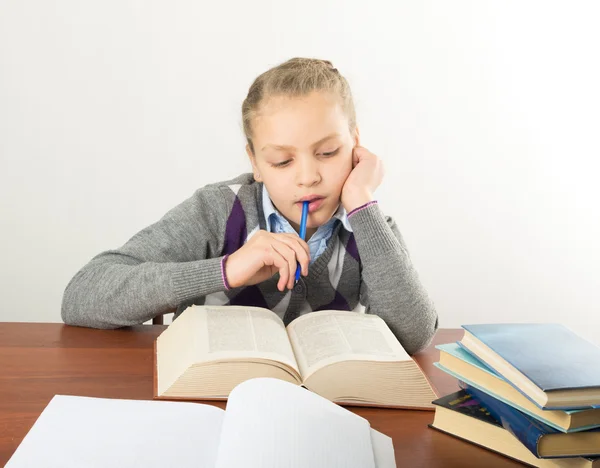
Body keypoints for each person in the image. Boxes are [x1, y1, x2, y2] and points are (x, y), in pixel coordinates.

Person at [61, 57, 438, 354]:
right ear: (255, 162)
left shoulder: (368, 227)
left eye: (327, 152)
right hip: (209, 402)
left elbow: (415, 334)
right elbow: (82, 296)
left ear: (356, 144)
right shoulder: (217, 211)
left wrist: (361, 203)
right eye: (282, 161)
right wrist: (225, 270)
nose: (308, 177)